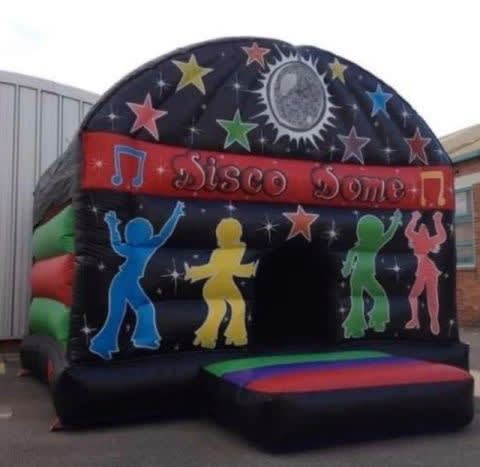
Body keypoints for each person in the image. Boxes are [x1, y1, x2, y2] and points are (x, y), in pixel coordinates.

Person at [90, 201, 185, 360]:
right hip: (122, 282)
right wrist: (112, 226)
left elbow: (164, 234)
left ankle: (142, 340)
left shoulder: (148, 245)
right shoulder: (133, 247)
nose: (131, 237)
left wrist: (175, 215)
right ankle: (103, 346)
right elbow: (116, 244)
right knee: (119, 315)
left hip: (127, 282)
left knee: (144, 309)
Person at [184, 218, 257, 349]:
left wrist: (248, 269)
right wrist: (194, 272)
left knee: (238, 306)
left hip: (227, 284)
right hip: (213, 286)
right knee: (219, 310)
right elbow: (218, 268)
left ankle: (234, 336)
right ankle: (208, 337)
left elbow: (229, 268)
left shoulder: (238, 249)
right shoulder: (219, 253)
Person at [341, 209, 402, 338]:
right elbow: (388, 234)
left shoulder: (370, 245)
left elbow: (388, 235)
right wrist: (395, 220)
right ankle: (358, 328)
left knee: (374, 298)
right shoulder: (362, 247)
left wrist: (396, 220)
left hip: (363, 276)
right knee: (361, 301)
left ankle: (375, 322)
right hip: (358, 277)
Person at [404, 211, 446, 335]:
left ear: (427, 233)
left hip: (428, 268)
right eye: (421, 228)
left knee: (431, 295)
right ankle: (416, 319)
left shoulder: (425, 240)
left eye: (425, 229)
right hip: (423, 268)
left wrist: (437, 221)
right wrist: (414, 219)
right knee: (414, 295)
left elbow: (442, 237)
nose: (423, 228)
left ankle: (433, 320)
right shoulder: (417, 238)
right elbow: (408, 232)